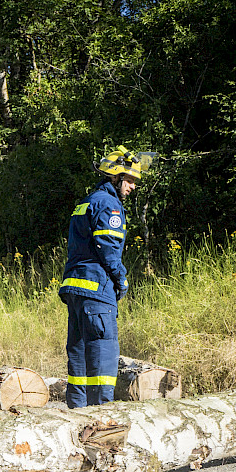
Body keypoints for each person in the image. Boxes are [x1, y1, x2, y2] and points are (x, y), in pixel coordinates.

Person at [58, 146, 155, 408]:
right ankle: (102, 415)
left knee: (79, 356)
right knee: (103, 354)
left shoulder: (87, 201)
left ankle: (76, 415)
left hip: (75, 290)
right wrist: (121, 280)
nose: (133, 187)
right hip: (97, 291)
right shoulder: (109, 204)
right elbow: (108, 248)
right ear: (115, 177)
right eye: (130, 180)